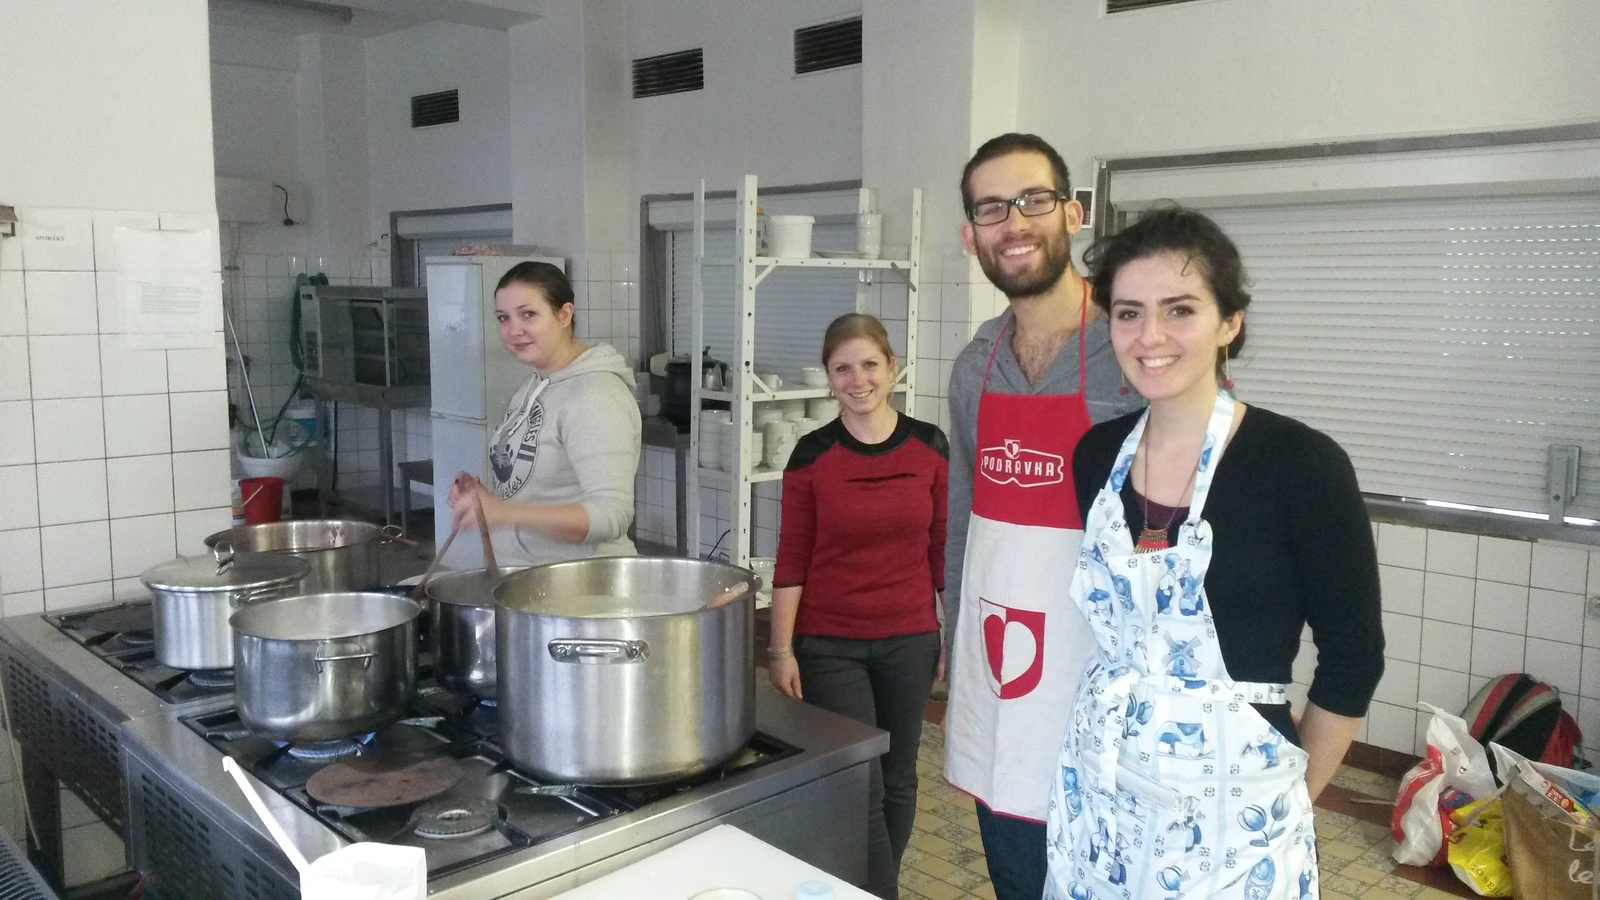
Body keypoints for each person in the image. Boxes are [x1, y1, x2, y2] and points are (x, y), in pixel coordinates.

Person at [1044, 207, 1384, 899]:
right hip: (1101, 787)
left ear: (1230, 322)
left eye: (1180, 310)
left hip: (1240, 807)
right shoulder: (1095, 457)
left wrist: (1288, 797)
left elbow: (1354, 656)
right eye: (1129, 313)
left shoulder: (1301, 465)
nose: (1151, 336)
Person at [942, 133, 1141, 900]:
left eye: (1033, 199)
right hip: (1004, 675)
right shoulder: (974, 365)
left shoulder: (1132, 350)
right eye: (992, 208)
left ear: (1073, 213)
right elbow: (965, 516)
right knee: (1020, 877)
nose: (1015, 223)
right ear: (972, 236)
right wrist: (954, 640)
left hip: (1104, 684)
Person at [768, 313, 948, 899]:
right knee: (859, 781)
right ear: (828, 378)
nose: (858, 379)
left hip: (910, 639)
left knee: (898, 778)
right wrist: (780, 650)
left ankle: (870, 888)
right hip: (829, 645)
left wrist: (951, 633)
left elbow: (943, 550)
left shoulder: (930, 447)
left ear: (892, 367)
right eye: (842, 368)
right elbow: (792, 557)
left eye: (869, 364)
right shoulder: (811, 455)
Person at [447, 261, 641, 565]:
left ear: (564, 314)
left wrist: (504, 512)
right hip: (529, 578)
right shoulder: (533, 385)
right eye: (503, 318)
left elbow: (611, 515)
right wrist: (484, 499)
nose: (513, 330)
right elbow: (530, 491)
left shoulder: (596, 395)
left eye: (528, 314)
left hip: (582, 584)